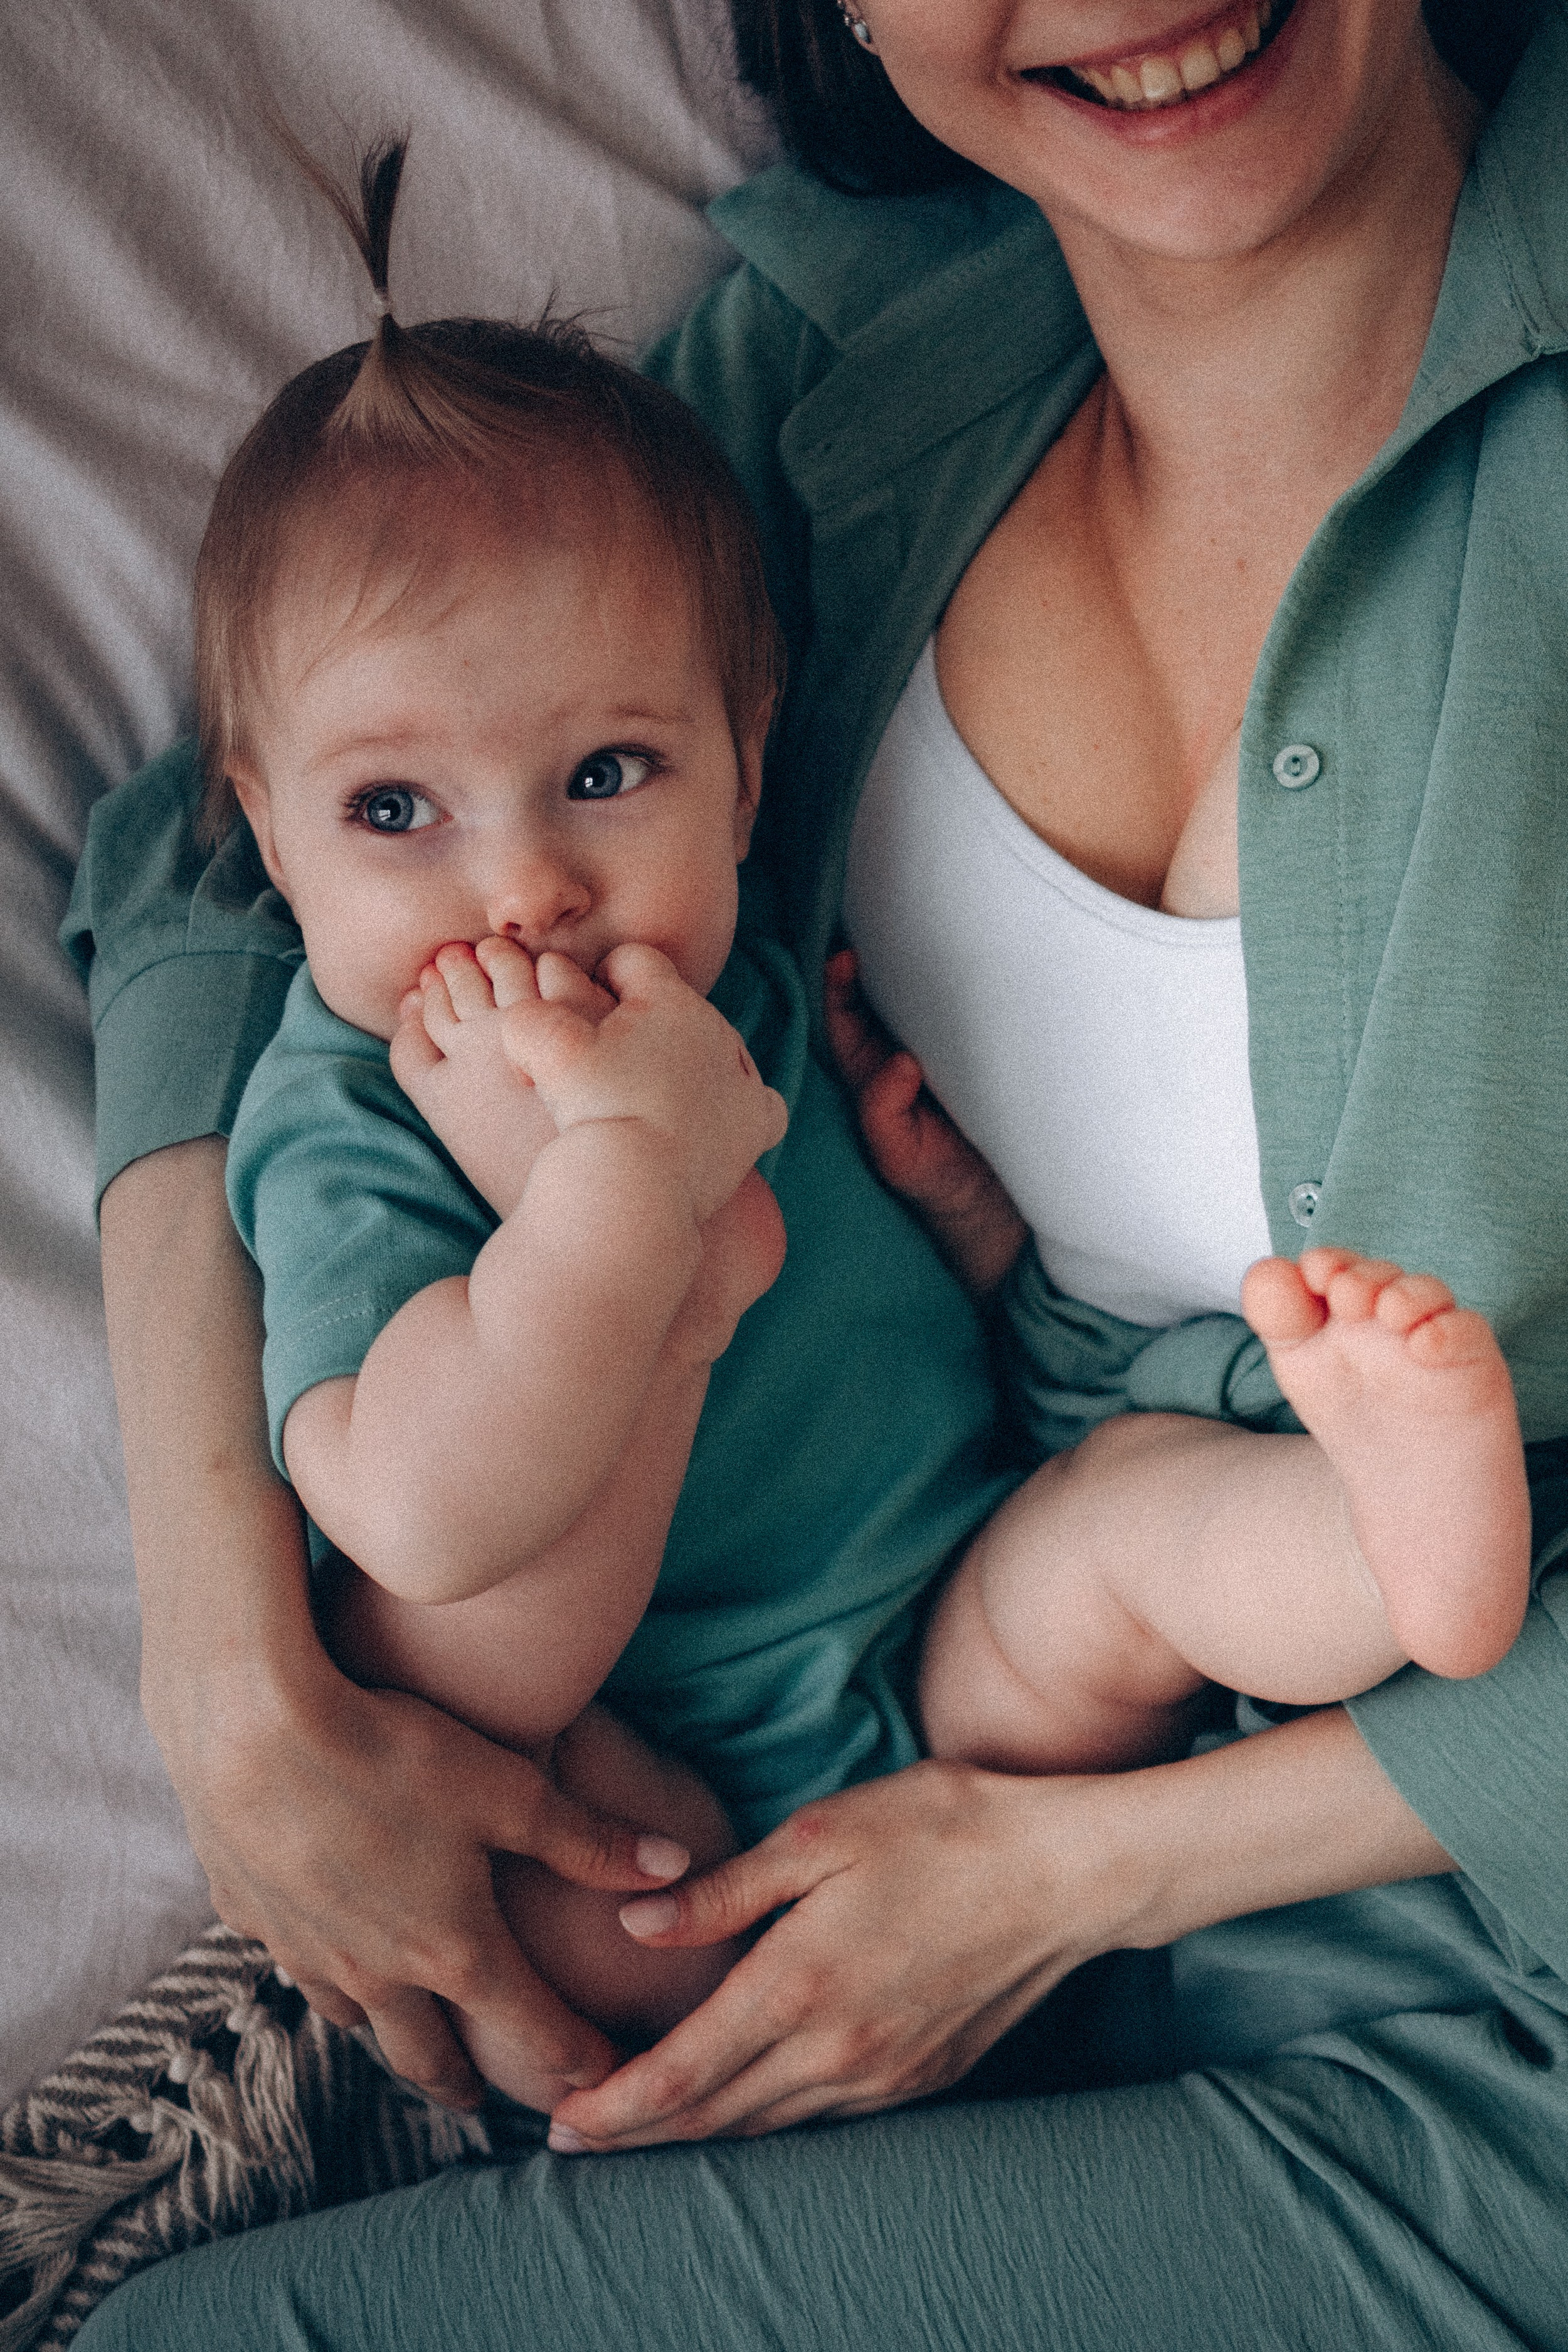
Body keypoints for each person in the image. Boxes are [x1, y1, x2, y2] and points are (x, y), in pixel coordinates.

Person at [70, 0, 1568, 2343]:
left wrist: (1083, 1874)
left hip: (1476, 2006)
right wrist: (230, 1655)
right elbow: (201, 855)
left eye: (594, 794)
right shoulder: (818, 376)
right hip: (944, 1789)